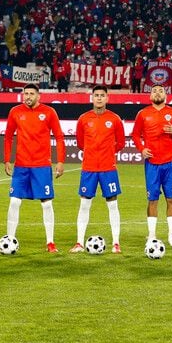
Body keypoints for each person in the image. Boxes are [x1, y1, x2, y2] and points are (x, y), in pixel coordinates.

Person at [3, 83, 66, 253]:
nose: (28, 96)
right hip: (21, 166)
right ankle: (10, 238)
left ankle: (50, 242)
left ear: (39, 96)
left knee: (46, 204)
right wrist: (7, 159)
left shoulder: (49, 112)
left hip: (41, 166)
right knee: (14, 201)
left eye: (31, 93)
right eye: (26, 94)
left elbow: (59, 137)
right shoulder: (15, 112)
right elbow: (8, 137)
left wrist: (60, 161)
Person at [70, 85, 125, 254]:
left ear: (107, 98)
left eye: (102, 95)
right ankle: (79, 242)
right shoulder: (84, 119)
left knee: (112, 205)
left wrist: (107, 153)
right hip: (89, 168)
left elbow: (121, 143)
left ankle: (116, 243)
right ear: (92, 98)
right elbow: (80, 142)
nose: (99, 98)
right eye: (96, 95)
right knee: (84, 205)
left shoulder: (115, 119)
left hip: (108, 168)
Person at [132, 85, 172, 246]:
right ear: (150, 95)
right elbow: (135, 135)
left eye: (161, 91)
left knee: (171, 199)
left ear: (166, 95)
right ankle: (152, 235)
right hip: (152, 164)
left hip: (170, 163)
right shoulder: (143, 113)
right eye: (154, 91)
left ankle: (171, 235)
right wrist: (142, 149)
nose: (157, 93)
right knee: (152, 200)